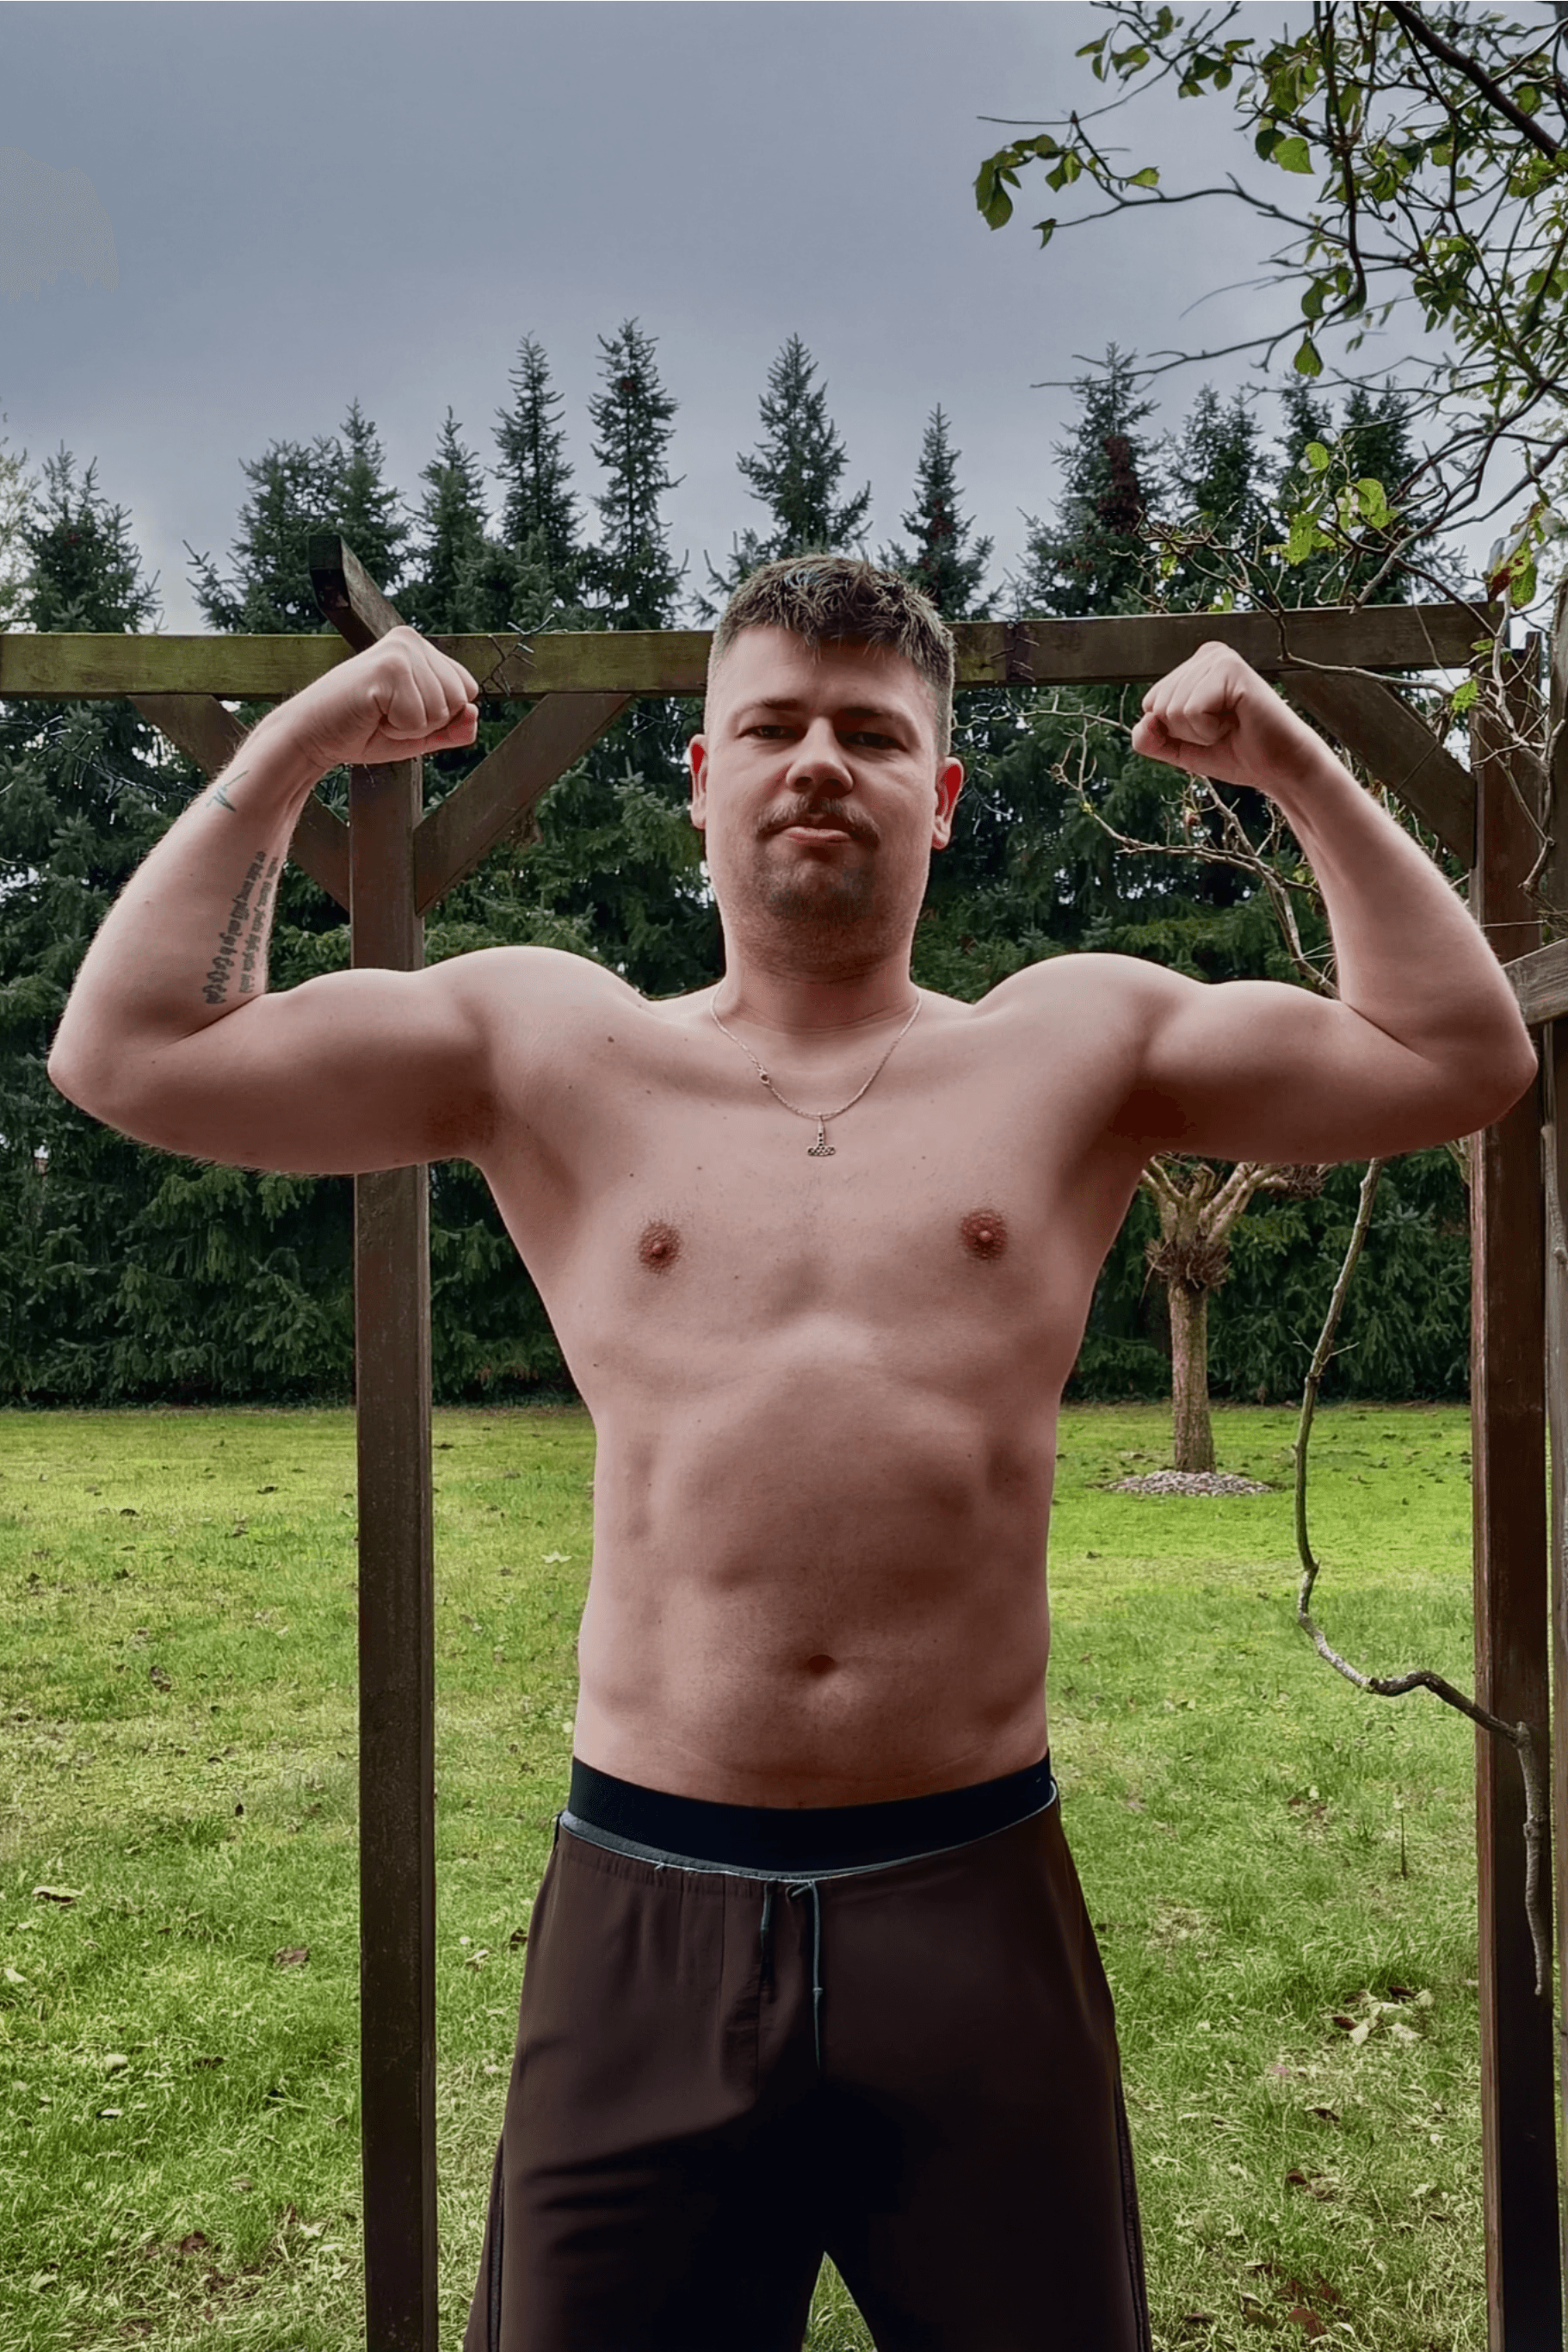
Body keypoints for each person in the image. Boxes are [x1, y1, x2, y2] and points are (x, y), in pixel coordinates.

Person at [48, 557, 1535, 2351]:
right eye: (769, 724)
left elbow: (1452, 1053)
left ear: (939, 794)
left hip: (972, 1901)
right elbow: (129, 1049)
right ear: (697, 775)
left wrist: (1286, 759)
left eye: (867, 732)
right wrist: (307, 734)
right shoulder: (552, 1043)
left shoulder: (1075, 1041)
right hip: (643, 1914)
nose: (816, 760)